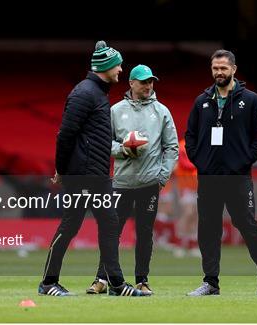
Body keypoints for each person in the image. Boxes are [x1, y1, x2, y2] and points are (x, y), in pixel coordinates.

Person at [38, 41, 149, 296]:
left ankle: (116, 284)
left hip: (96, 174)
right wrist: (62, 169)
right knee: (72, 227)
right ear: (106, 66)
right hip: (84, 174)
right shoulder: (84, 93)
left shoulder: (97, 92)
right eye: (118, 65)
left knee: (107, 224)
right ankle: (48, 283)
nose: (121, 69)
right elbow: (65, 135)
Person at [184, 49, 257, 296]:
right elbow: (190, 135)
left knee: (247, 224)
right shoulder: (202, 101)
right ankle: (210, 282)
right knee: (208, 228)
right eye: (215, 68)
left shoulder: (251, 99)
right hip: (209, 176)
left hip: (238, 177)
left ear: (234, 69)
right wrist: (199, 161)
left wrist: (242, 162)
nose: (219, 73)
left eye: (223, 68)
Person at [86, 64, 179, 295]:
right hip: (121, 183)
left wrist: (162, 176)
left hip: (150, 184)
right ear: (131, 84)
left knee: (145, 233)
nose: (148, 85)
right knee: (111, 232)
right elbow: (103, 142)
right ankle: (102, 279)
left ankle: (142, 280)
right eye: (143, 81)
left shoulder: (162, 111)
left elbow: (172, 147)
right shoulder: (116, 111)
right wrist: (123, 149)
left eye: (151, 81)